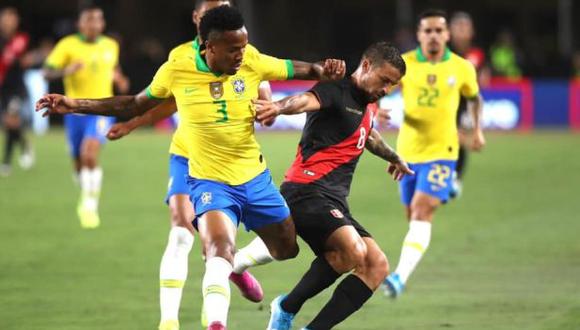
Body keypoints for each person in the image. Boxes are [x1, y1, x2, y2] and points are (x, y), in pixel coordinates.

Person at [36, 5, 345, 330]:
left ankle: (236, 266)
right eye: (233, 50)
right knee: (215, 248)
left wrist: (326, 69)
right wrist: (76, 105)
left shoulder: (250, 58)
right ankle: (214, 322)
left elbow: (298, 69)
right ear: (209, 47)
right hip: (209, 183)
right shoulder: (178, 67)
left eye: (243, 46)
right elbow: (134, 103)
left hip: (255, 179)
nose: (241, 55)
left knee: (287, 248)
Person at [105, 1, 275, 329]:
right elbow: (168, 103)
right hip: (187, 156)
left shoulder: (243, 55)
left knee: (214, 249)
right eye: (209, 11)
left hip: (229, 164)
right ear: (197, 19)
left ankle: (228, 276)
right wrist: (131, 124)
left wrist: (267, 106)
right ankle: (168, 321)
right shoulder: (179, 59)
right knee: (181, 230)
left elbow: (264, 91)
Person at [254, 41, 412, 330]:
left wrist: (394, 156)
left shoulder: (368, 103)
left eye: (393, 85)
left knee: (376, 266)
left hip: (333, 201)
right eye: (385, 80)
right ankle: (286, 307)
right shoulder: (336, 87)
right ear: (366, 66)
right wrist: (277, 107)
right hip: (304, 191)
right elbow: (304, 100)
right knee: (353, 251)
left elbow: (369, 135)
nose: (387, 89)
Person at [382, 9, 485, 298]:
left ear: (447, 35)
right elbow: (381, 87)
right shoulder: (406, 63)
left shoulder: (462, 67)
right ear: (419, 35)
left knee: (421, 209)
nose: (433, 36)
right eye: (427, 31)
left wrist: (477, 130)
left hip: (444, 152)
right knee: (412, 215)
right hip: (407, 152)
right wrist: (377, 106)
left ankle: (399, 277)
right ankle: (406, 265)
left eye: (439, 30)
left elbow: (475, 99)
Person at [42, 6, 130, 228]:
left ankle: (90, 203)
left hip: (101, 109)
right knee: (78, 162)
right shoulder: (67, 45)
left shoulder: (111, 45)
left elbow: (113, 69)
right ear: (80, 24)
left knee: (89, 153)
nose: (94, 24)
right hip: (73, 111)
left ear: (102, 24)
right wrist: (65, 71)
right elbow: (46, 71)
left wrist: (119, 79)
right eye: (89, 20)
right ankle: (86, 192)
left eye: (98, 20)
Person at [449, 11, 490, 198]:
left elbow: (484, 78)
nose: (461, 32)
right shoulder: (445, 54)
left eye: (465, 28)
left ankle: (455, 177)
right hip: (447, 102)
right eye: (458, 28)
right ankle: (449, 175)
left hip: (467, 104)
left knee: (462, 140)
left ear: (471, 32)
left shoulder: (477, 55)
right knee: (453, 138)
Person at [0, 7, 34, 177]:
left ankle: (5, 162)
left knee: (10, 122)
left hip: (16, 88)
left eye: (11, 19)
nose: (8, 22)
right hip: (2, 88)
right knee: (11, 124)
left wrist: (25, 61)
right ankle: (25, 145)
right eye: (5, 18)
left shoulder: (21, 40)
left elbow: (28, 59)